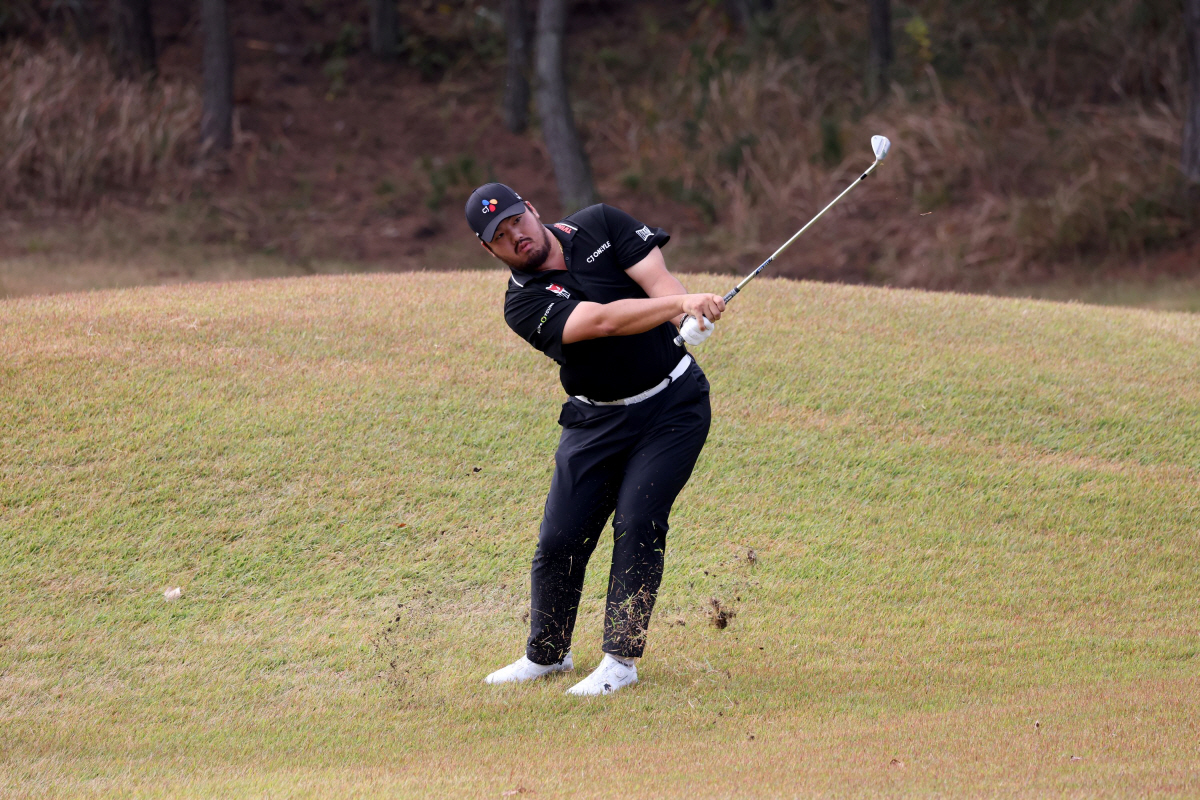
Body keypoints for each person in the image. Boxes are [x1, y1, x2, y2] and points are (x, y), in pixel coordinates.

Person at [464, 183, 725, 696]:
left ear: (533, 210)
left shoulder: (601, 224)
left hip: (673, 405)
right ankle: (547, 654)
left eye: (517, 219)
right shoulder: (523, 304)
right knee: (560, 539)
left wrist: (684, 316)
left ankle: (620, 662)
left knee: (638, 519)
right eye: (500, 234)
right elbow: (602, 321)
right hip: (596, 421)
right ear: (488, 250)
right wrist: (682, 301)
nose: (516, 234)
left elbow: (656, 280)